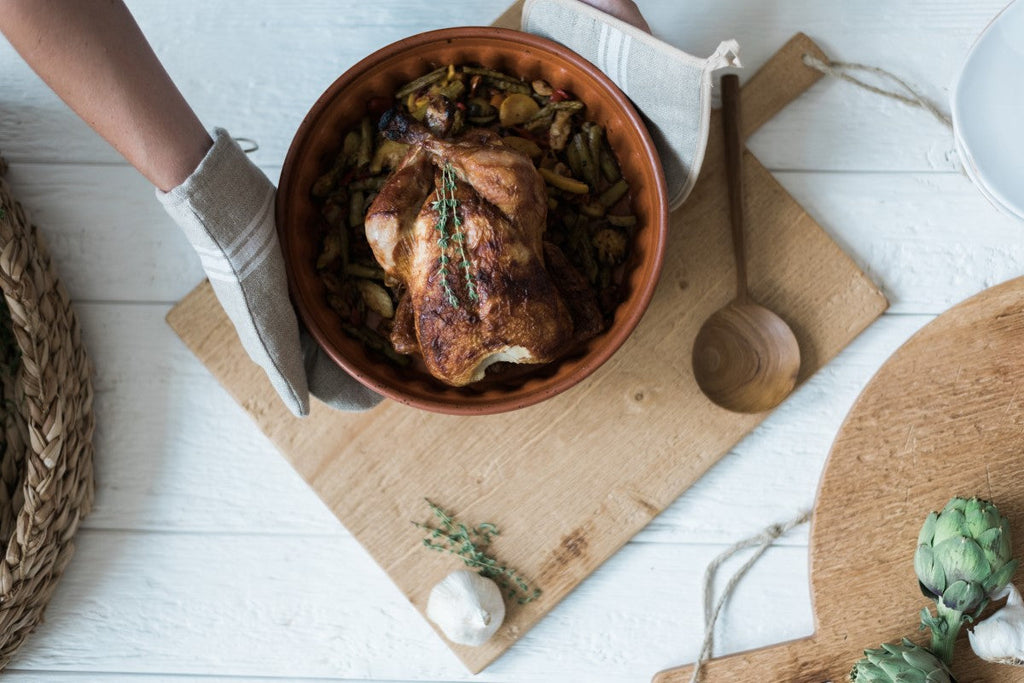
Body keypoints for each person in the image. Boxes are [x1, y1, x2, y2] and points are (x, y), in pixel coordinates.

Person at [0, 0, 650, 415]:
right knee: (508, 204)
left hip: (451, 323)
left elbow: (402, 329)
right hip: (476, 281)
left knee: (397, 231)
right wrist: (202, 193)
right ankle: (425, 143)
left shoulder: (414, 297)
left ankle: (424, 141)